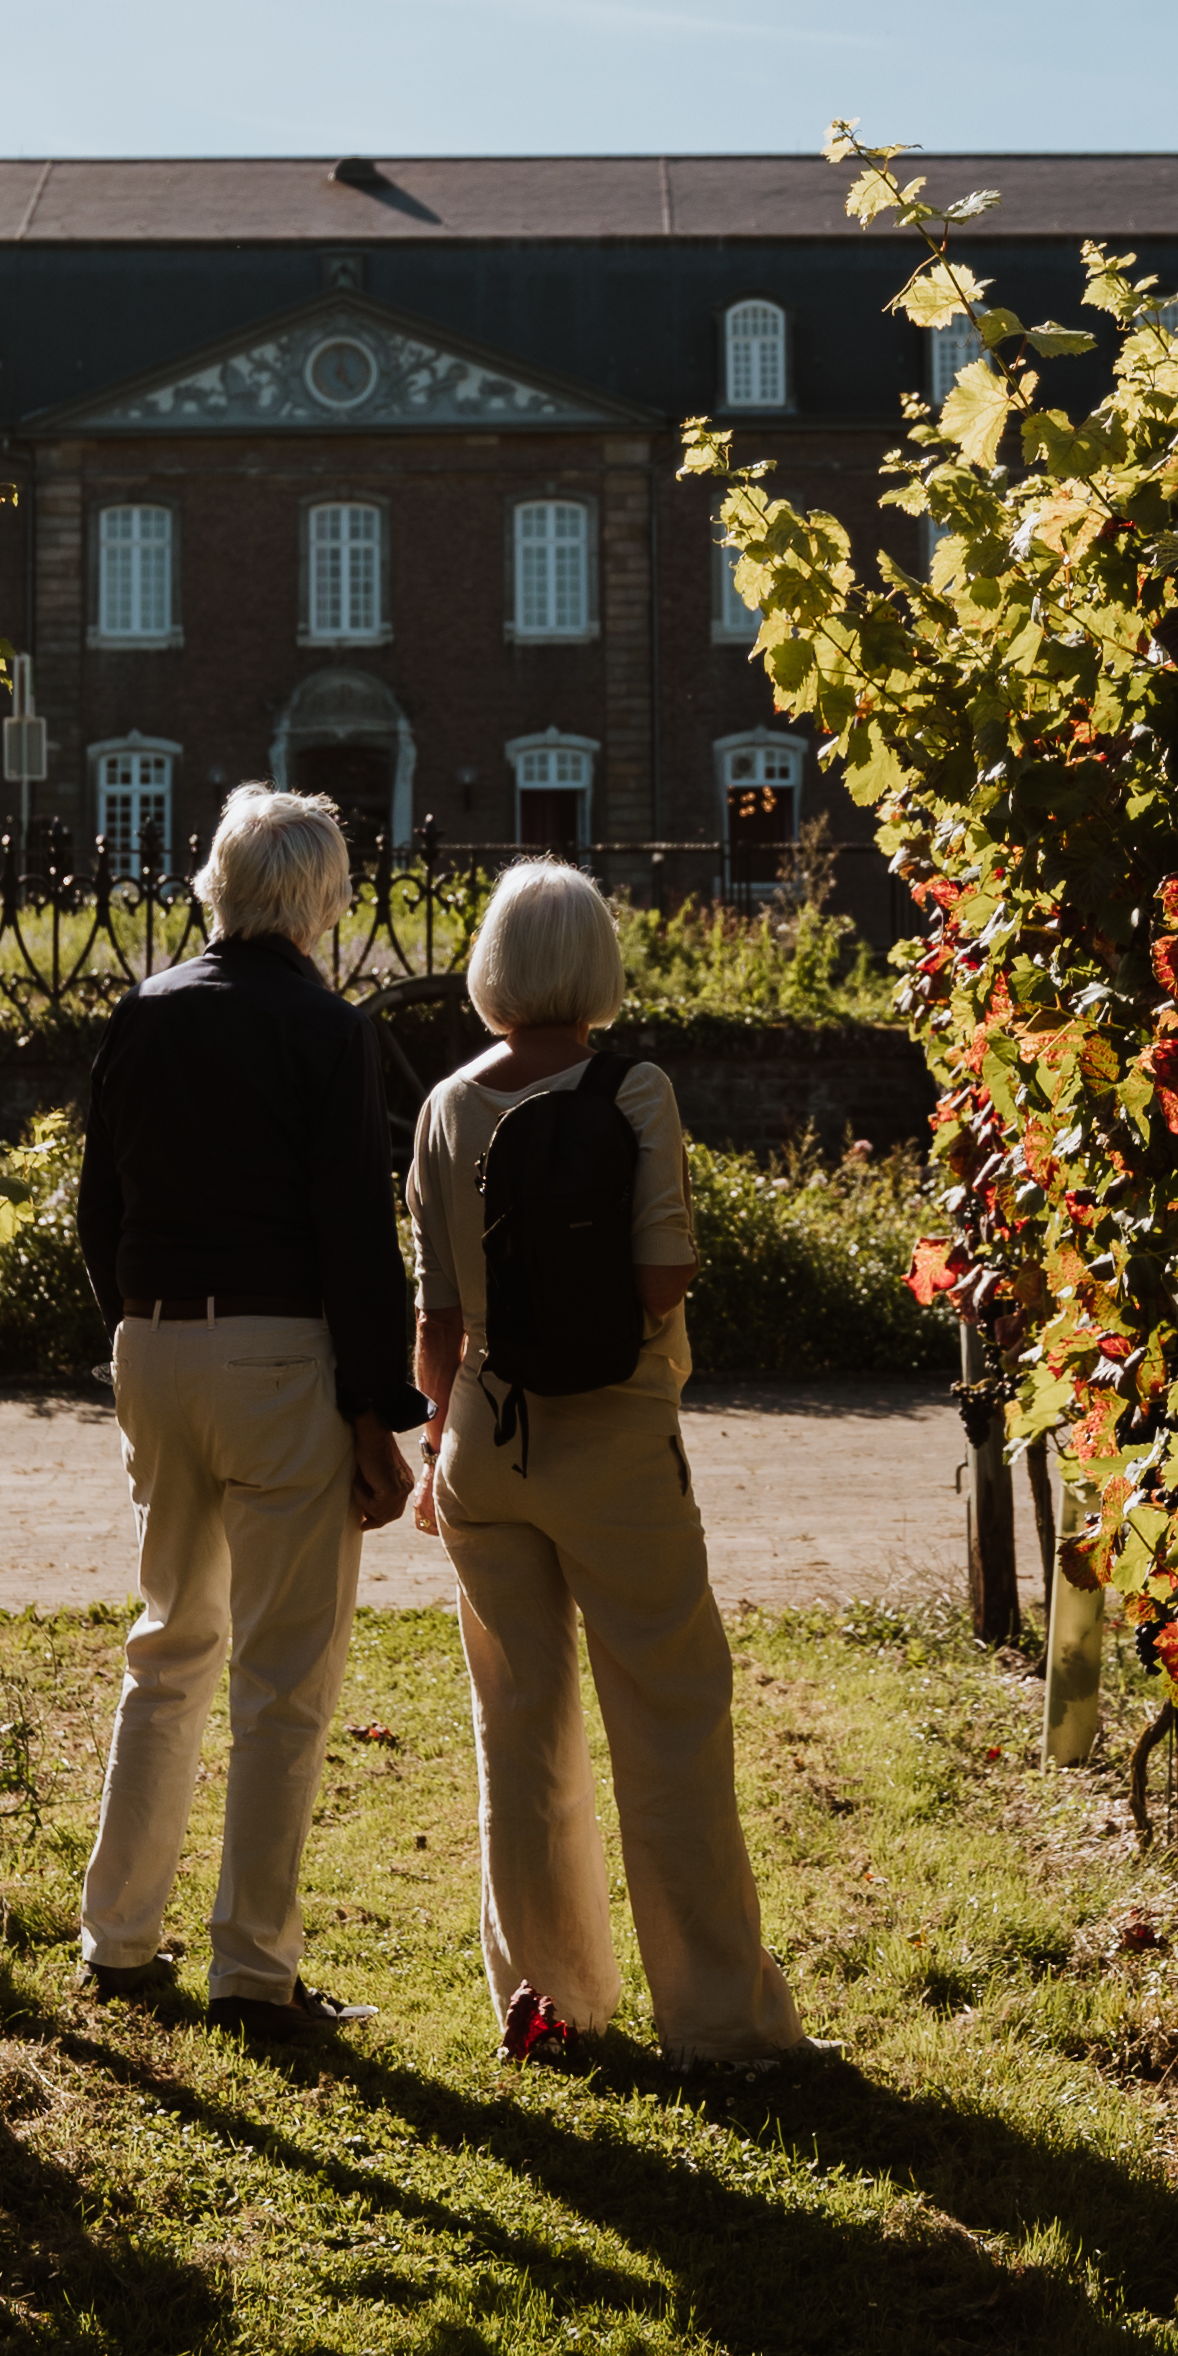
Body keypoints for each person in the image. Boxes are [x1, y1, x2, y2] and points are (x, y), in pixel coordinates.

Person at [406, 858, 803, 2065]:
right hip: (620, 1442)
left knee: (518, 1730)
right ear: (596, 966)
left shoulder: (445, 1104)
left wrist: (438, 1439)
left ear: (490, 967)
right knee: (672, 1719)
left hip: (487, 1438)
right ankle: (720, 2020)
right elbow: (663, 1275)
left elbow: (432, 1321)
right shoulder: (636, 1091)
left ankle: (552, 2005)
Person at [73, 784, 419, 2057]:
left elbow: (96, 1207)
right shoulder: (327, 1033)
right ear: (320, 898)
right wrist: (379, 1410)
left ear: (221, 884)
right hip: (279, 1351)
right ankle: (252, 1969)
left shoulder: (145, 1014)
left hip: (156, 1339)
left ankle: (117, 1937)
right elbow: (353, 1234)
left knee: (169, 1643)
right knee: (282, 1677)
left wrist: (140, 1323)